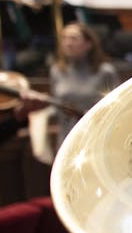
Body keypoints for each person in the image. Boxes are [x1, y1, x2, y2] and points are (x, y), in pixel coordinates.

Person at [48, 22, 119, 152]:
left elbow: (115, 108)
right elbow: (56, 106)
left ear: (88, 44)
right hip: (66, 137)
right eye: (64, 38)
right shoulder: (56, 71)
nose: (68, 43)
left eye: (73, 38)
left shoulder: (105, 72)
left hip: (94, 137)